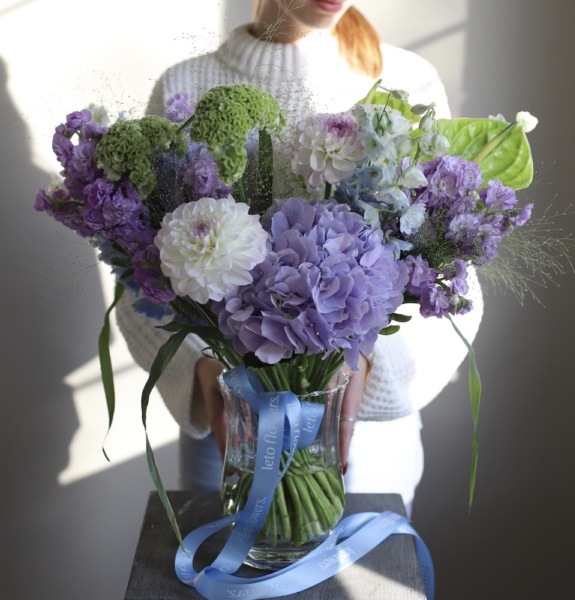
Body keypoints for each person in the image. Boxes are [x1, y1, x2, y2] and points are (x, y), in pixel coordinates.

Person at [116, 0, 484, 518]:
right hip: (231, 428)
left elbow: (448, 276)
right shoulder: (187, 84)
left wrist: (368, 366)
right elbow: (140, 272)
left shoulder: (407, 83)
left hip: (365, 436)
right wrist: (200, 368)